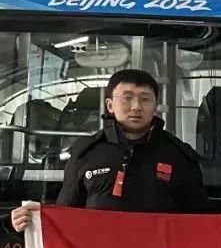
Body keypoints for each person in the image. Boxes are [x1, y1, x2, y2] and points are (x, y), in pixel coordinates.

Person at [9, 69, 208, 231]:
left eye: (145, 99)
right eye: (127, 98)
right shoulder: (86, 154)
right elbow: (64, 218)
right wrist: (27, 222)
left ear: (155, 106)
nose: (136, 107)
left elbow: (201, 223)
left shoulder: (179, 156)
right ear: (110, 105)